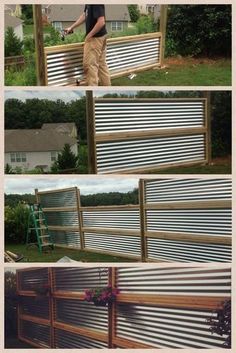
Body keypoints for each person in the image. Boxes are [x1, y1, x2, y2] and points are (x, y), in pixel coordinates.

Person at [65, 5, 111, 86]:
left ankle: (92, 91)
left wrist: (89, 36)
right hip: (101, 37)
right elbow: (85, 15)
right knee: (101, 65)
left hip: (95, 39)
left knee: (90, 67)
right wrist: (71, 27)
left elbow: (101, 22)